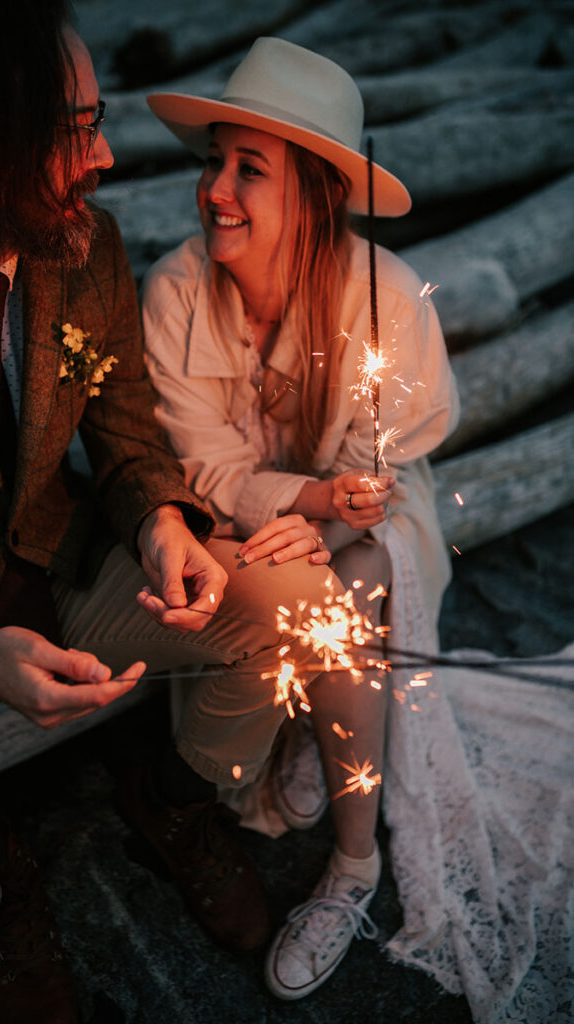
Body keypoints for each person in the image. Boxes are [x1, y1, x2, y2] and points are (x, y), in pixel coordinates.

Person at [0, 10, 337, 1023]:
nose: (100, 154)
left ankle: (173, 798)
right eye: (68, 127)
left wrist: (162, 527)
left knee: (297, 594)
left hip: (72, 564)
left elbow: (130, 437)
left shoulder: (81, 247)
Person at [142, 36, 460, 1000]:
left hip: (375, 522)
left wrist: (332, 515)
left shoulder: (389, 305)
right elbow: (203, 462)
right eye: (213, 162)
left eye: (250, 169)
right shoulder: (174, 291)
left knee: (349, 584)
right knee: (313, 589)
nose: (216, 190)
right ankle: (320, 730)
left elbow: (376, 473)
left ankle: (353, 864)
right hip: (230, 530)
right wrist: (301, 508)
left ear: (317, 194)